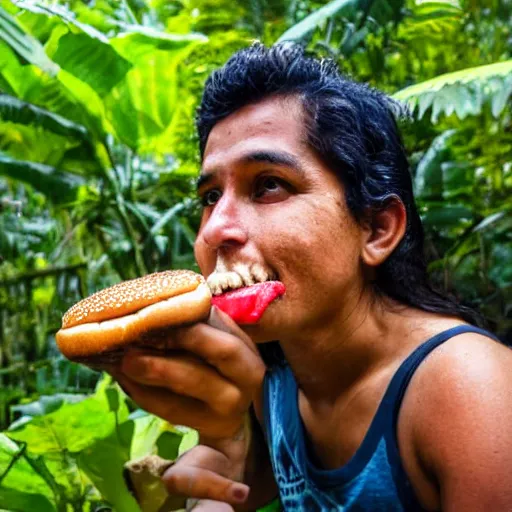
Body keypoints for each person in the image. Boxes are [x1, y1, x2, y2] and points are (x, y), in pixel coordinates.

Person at [112, 43, 512, 511]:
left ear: (377, 229)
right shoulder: (271, 375)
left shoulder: (469, 390)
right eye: (210, 196)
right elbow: (245, 482)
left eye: (268, 185)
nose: (215, 229)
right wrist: (225, 453)